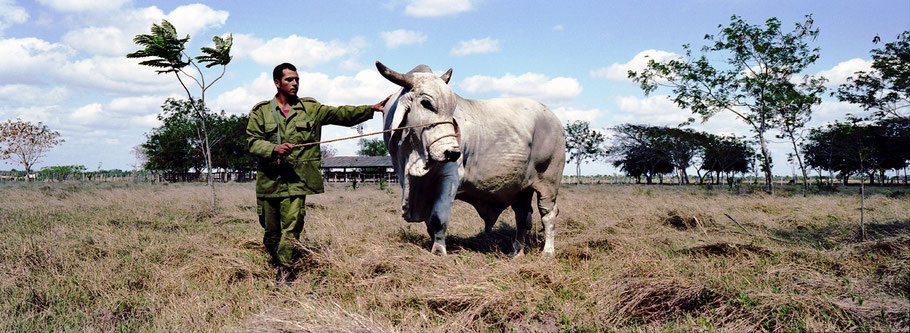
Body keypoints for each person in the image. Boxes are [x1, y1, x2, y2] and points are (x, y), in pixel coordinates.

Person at [247, 62, 388, 281]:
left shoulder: (311, 108)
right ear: (277, 83)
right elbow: (252, 142)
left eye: (297, 79)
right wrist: (273, 148)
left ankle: (285, 271)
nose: (295, 83)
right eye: (289, 80)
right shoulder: (261, 112)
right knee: (270, 232)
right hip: (269, 181)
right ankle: (275, 262)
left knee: (291, 227)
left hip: (297, 181)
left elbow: (341, 114)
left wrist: (370, 110)